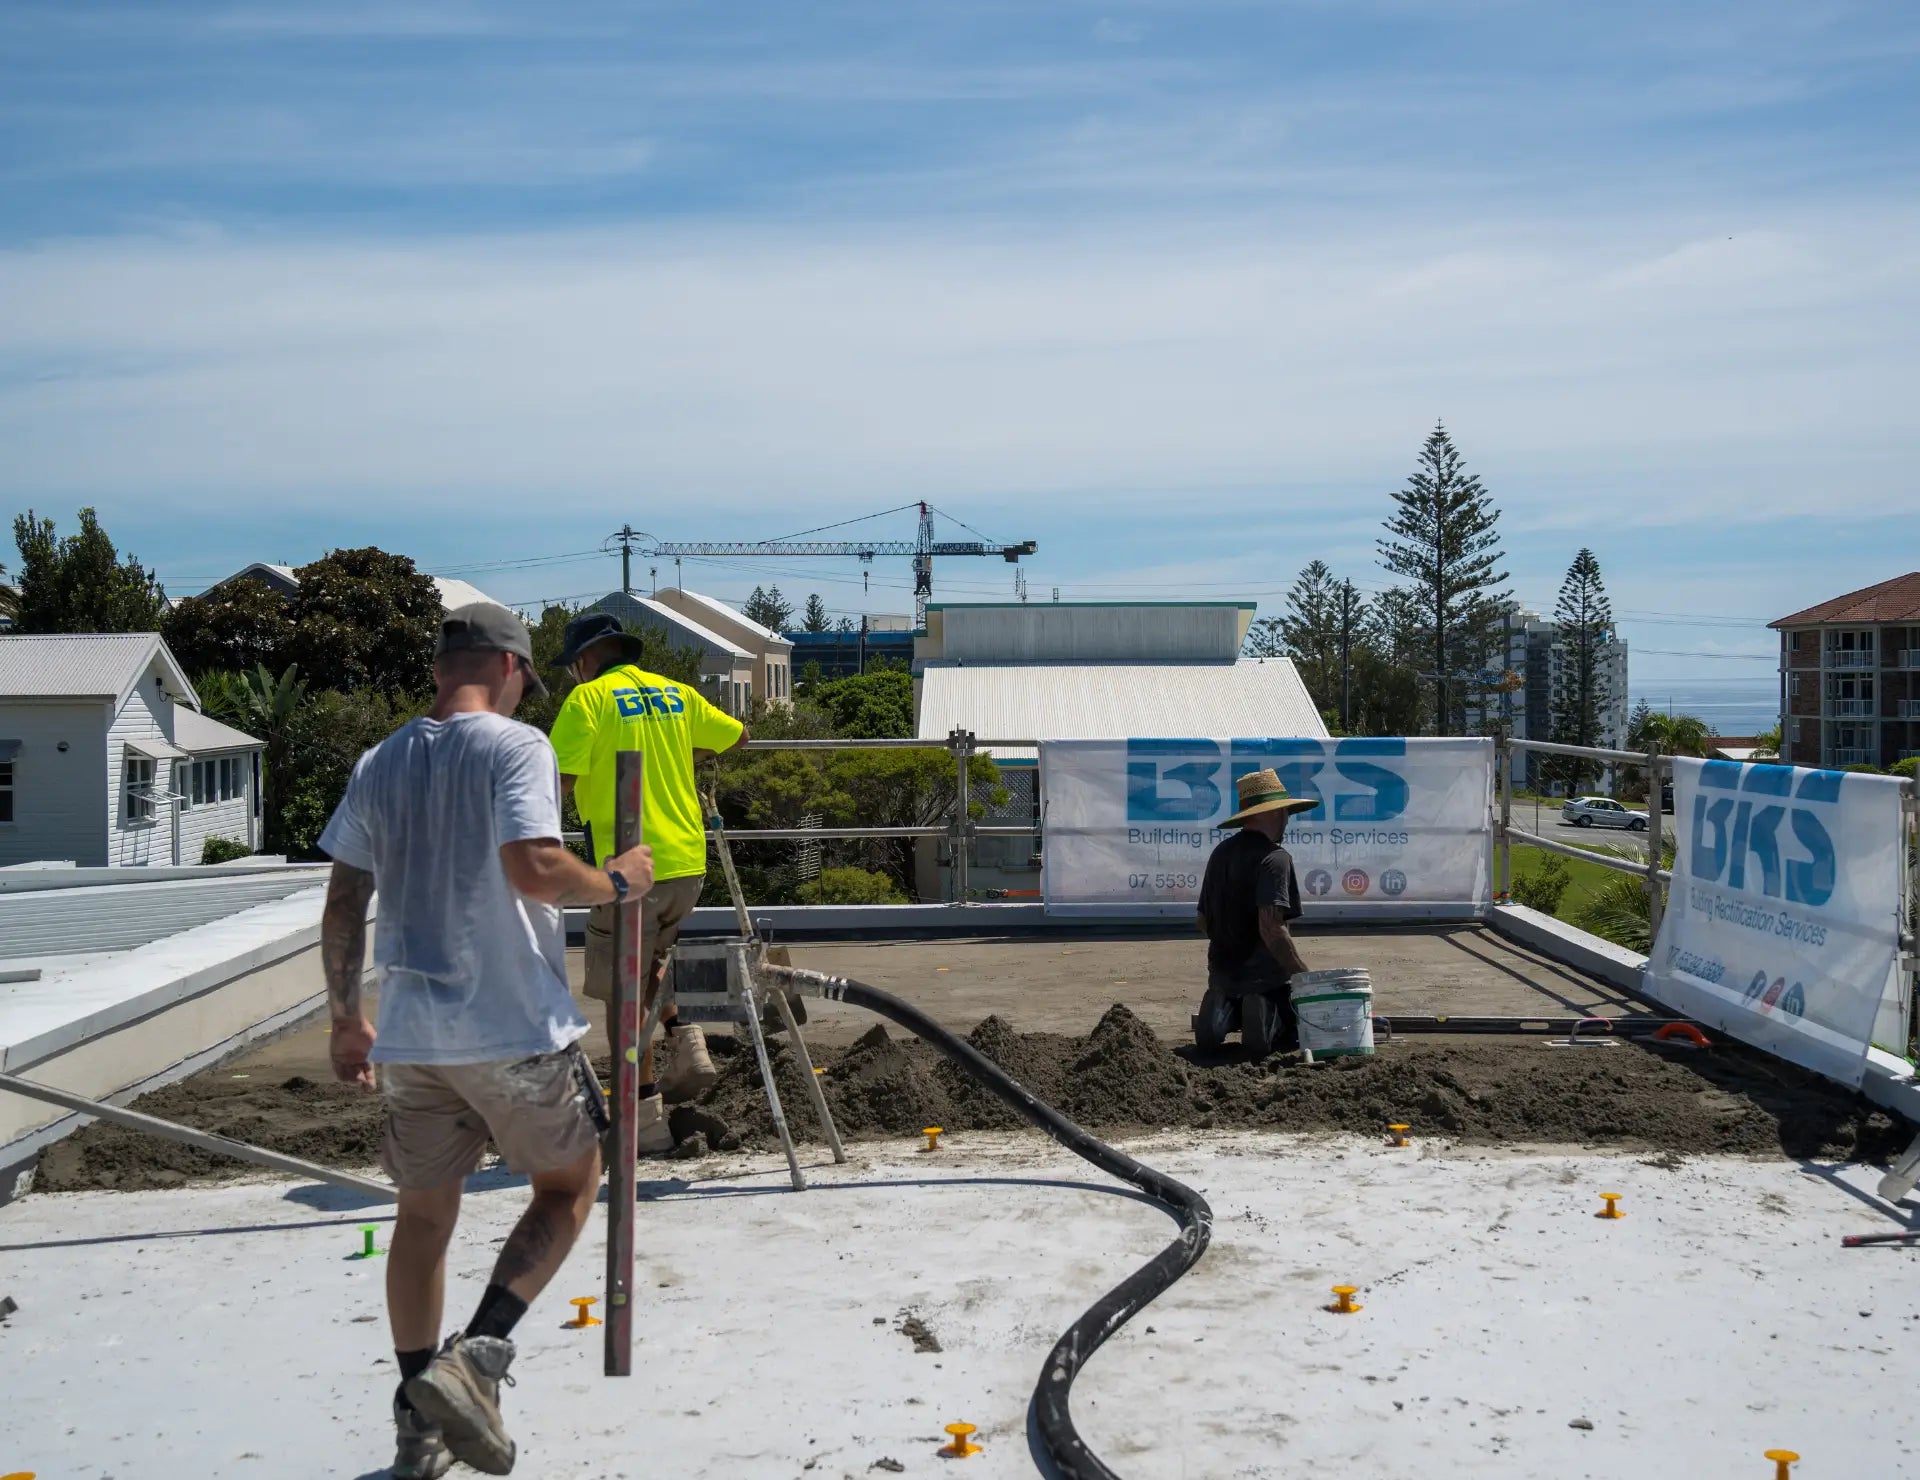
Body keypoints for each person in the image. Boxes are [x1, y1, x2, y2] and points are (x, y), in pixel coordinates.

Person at [321, 604, 655, 1479]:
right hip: (510, 1026)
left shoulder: (380, 759)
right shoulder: (516, 746)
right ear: (509, 666)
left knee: (423, 1217)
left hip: (411, 1037)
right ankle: (478, 1356)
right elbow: (535, 867)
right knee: (571, 1181)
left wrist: (345, 1017)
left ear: (441, 668)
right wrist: (616, 882)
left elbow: (344, 897)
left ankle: (417, 1423)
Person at [548, 611, 747, 1154]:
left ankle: (645, 1121)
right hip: (686, 861)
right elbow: (738, 735)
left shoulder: (589, 701)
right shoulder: (675, 694)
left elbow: (554, 784)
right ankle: (688, 1044)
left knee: (622, 994)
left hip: (628, 871)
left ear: (586, 660)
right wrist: (678, 756)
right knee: (654, 963)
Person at [1193, 768, 1317, 1057]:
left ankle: (1226, 1007)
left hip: (1222, 972)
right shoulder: (1276, 858)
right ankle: (1266, 1011)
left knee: (1234, 987)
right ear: (1274, 813)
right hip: (1266, 978)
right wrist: (1304, 978)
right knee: (1297, 1021)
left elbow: (1202, 920)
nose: (1287, 819)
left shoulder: (1220, 853)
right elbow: (1271, 929)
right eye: (1285, 811)